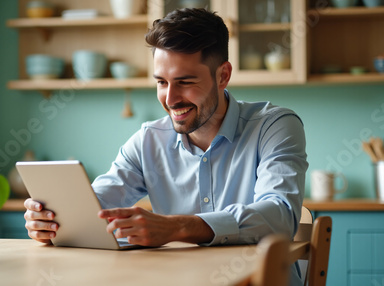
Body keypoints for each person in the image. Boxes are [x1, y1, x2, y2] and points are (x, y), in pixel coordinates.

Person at [24, 8, 307, 285]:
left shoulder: (274, 126)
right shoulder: (149, 140)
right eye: (161, 82)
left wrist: (177, 227)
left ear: (223, 76)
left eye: (184, 82)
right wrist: (51, 221)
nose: (170, 99)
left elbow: (279, 216)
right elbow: (96, 207)